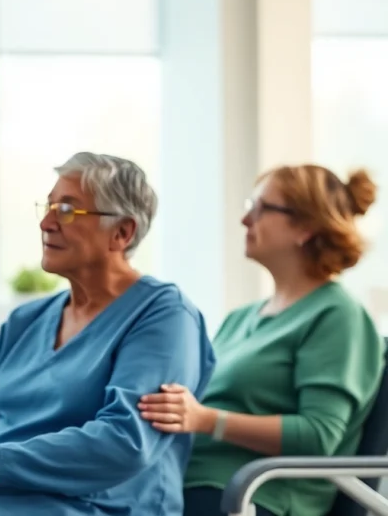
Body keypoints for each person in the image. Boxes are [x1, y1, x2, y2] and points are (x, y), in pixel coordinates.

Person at [0, 152, 217, 516]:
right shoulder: (26, 320)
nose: (46, 223)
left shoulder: (164, 317)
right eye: (48, 207)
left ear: (122, 232)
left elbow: (124, 442)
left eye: (67, 210)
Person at [139, 164, 386, 516]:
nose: (245, 220)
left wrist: (207, 420)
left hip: (251, 495)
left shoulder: (337, 315)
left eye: (260, 208)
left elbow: (318, 435)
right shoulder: (240, 319)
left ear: (305, 227)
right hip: (179, 482)